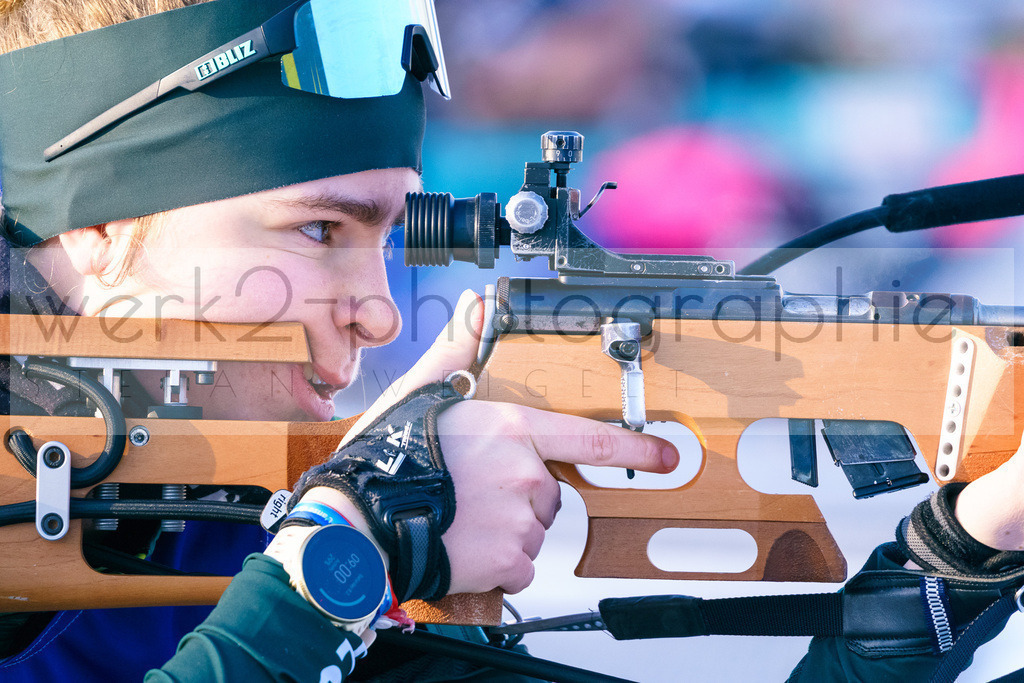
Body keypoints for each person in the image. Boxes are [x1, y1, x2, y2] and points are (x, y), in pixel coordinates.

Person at [1, 1, 1023, 682]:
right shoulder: (292, 547)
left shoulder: (223, 528)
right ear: (97, 230)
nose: (381, 312)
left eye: (385, 242)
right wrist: (346, 549)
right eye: (318, 232)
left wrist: (954, 557)